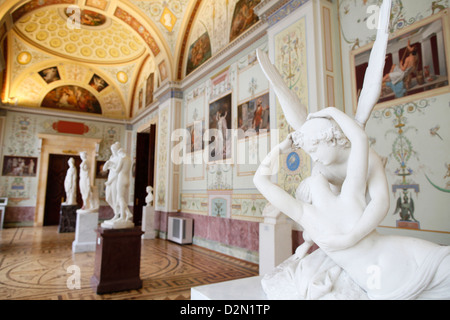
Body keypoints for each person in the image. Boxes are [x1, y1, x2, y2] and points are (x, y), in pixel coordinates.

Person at [254, 107, 450, 299]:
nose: (316, 166)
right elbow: (360, 139)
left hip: (401, 257)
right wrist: (330, 112)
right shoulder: (327, 207)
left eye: (313, 151)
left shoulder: (339, 200)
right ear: (308, 196)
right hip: (388, 271)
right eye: (310, 181)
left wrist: (280, 149)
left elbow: (260, 180)